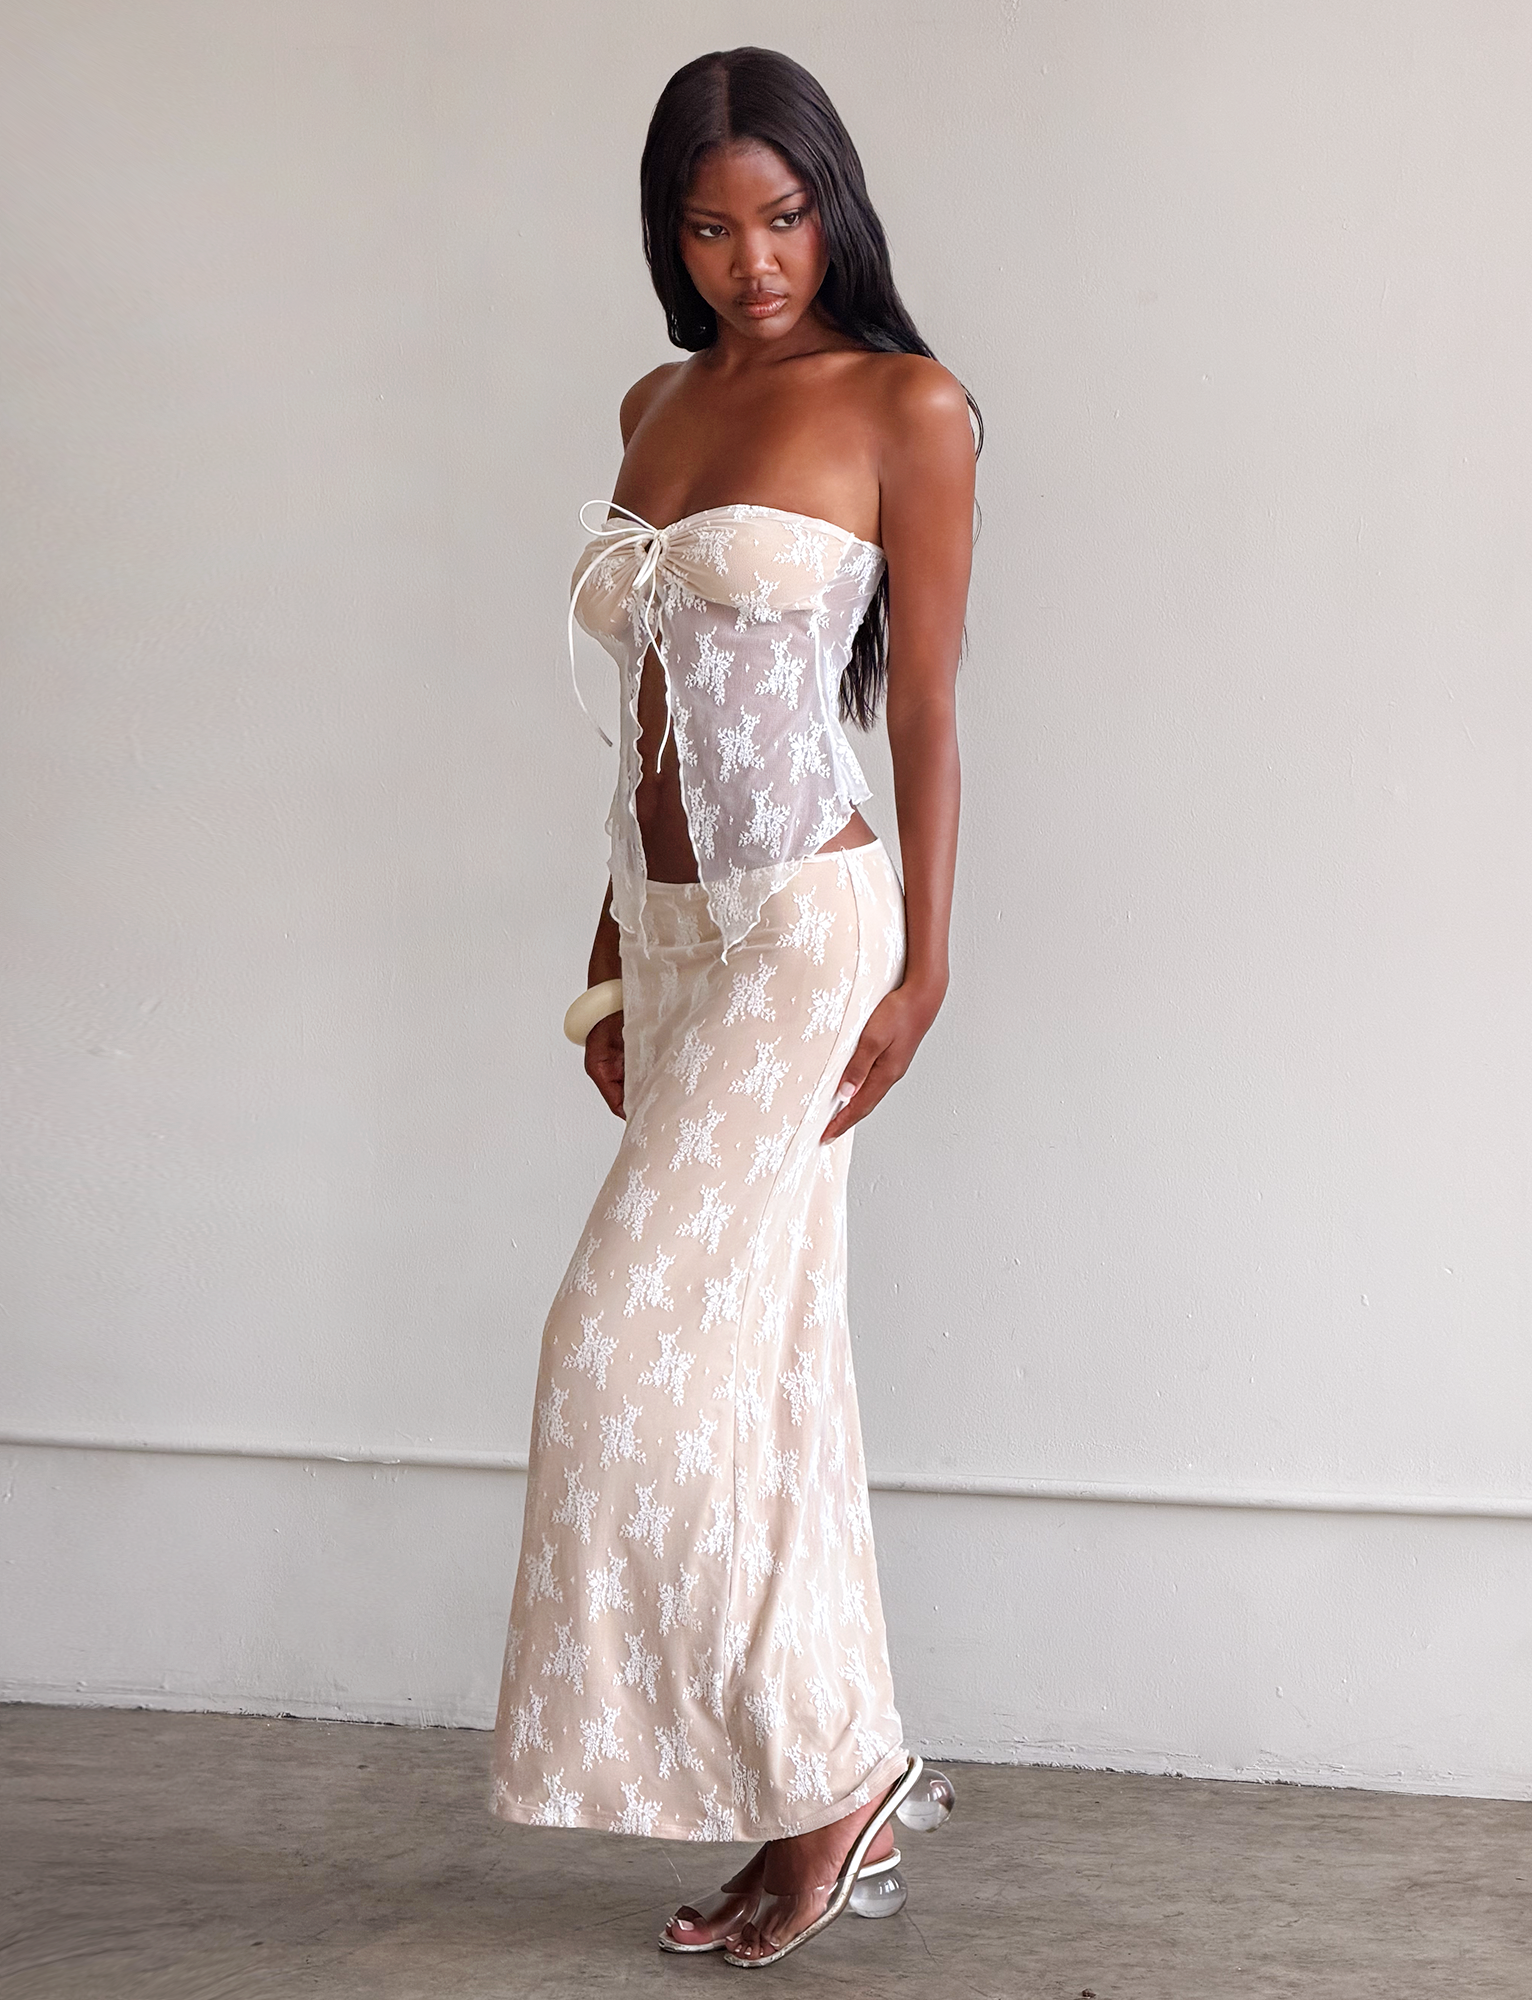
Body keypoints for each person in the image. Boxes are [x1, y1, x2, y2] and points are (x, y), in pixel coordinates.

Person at [489, 45, 977, 1968]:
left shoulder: (905, 404)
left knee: (614, 1347)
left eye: (781, 218)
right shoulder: (658, 401)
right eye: (709, 226)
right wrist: (610, 947)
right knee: (766, 1379)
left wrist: (930, 961)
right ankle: (832, 1784)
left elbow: (926, 703)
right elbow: (647, 717)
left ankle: (811, 1780)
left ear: (832, 207)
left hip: (805, 932)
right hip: (676, 939)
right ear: (668, 236)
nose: (750, 263)